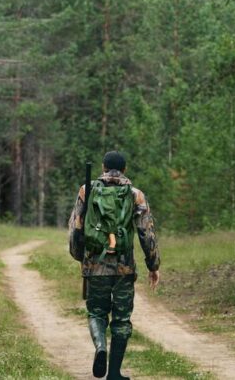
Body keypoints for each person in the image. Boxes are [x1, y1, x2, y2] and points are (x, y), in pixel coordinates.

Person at [68, 151, 161, 380]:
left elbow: (76, 228)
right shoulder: (135, 195)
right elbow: (146, 233)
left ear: (103, 167)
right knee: (121, 319)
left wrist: (81, 258)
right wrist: (153, 265)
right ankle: (115, 373)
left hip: (95, 265)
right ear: (125, 169)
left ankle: (100, 346)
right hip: (124, 267)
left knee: (96, 313)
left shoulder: (86, 190)